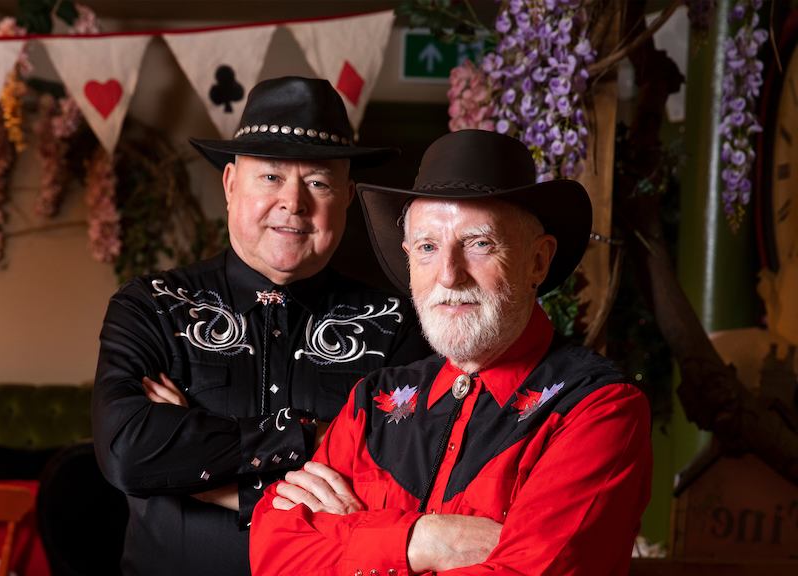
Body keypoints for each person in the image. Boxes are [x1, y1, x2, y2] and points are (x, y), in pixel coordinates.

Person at [250, 129, 653, 575]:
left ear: (538, 260)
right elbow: (274, 554)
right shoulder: (373, 403)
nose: (448, 275)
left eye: (479, 244)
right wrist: (423, 540)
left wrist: (358, 535)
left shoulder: (596, 410)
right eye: (427, 247)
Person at [92, 76, 431, 576]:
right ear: (231, 185)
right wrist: (311, 438)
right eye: (271, 177)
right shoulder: (152, 307)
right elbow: (128, 454)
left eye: (318, 182)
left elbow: (404, 482)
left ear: (347, 197)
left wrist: (199, 477)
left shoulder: (397, 325)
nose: (294, 202)